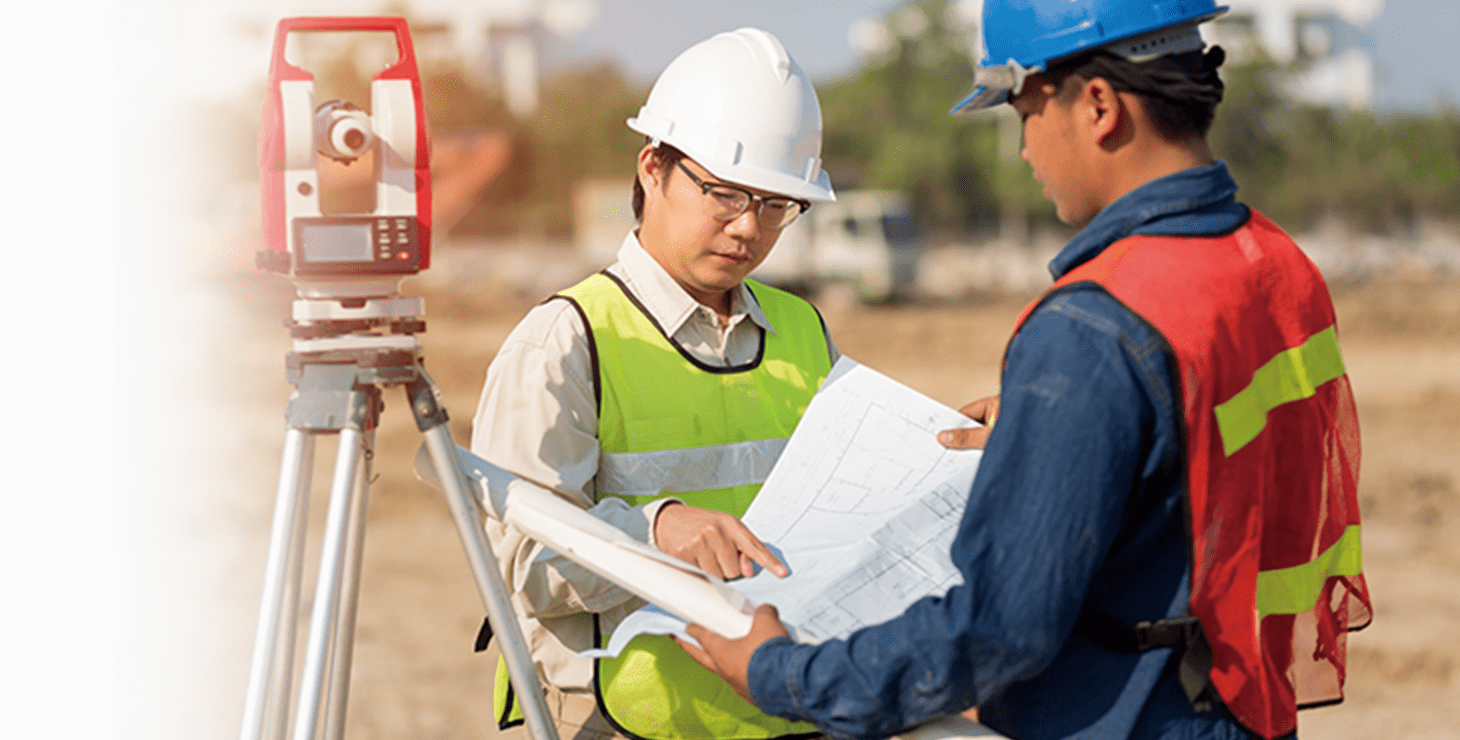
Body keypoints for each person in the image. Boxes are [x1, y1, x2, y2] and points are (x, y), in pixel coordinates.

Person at [678, 2, 1371, 739]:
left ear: (1098, 106)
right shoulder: (1275, 264)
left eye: (1024, 113)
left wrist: (783, 672)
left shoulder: (1095, 327)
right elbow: (1224, 472)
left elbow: (999, 628)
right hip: (1243, 707)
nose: (1024, 152)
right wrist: (1086, 431)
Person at [471, 27, 840, 740]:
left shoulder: (804, 332)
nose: (748, 229)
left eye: (775, 205)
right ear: (652, 169)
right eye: (726, 194)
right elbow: (519, 564)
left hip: (787, 711)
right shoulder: (569, 340)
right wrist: (655, 530)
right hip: (628, 720)